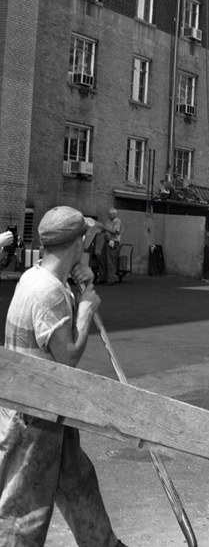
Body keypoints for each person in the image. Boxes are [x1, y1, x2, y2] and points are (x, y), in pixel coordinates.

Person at [0, 206, 131, 546]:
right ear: (78, 242)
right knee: (24, 509)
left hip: (47, 405)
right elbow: (68, 356)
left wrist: (79, 287)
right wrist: (85, 311)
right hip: (36, 417)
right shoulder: (48, 292)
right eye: (85, 240)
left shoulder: (36, 277)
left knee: (77, 482)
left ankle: (103, 543)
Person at [99, 209, 122, 285]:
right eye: (108, 214)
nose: (108, 216)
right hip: (107, 242)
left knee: (110, 261)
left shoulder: (117, 222)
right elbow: (104, 229)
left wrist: (103, 227)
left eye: (110, 214)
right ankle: (102, 278)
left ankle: (110, 279)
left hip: (113, 243)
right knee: (103, 260)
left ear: (114, 214)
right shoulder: (108, 221)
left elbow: (113, 231)